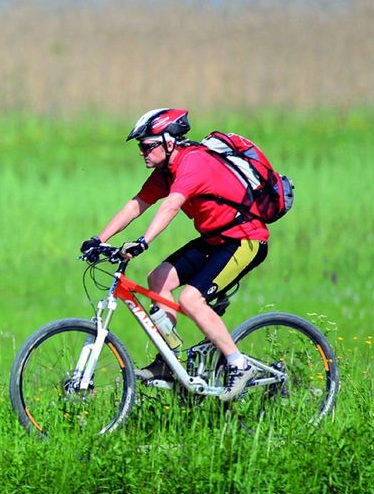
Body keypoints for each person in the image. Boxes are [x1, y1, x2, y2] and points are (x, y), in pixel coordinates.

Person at [83, 108, 269, 403]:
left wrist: (144, 241)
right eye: (139, 147)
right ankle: (169, 362)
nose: (141, 152)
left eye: (147, 146)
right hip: (214, 239)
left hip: (245, 239)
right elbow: (137, 205)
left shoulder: (193, 164)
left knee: (190, 300)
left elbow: (170, 206)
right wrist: (98, 239)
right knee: (157, 279)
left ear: (168, 141)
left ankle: (239, 365)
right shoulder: (165, 172)